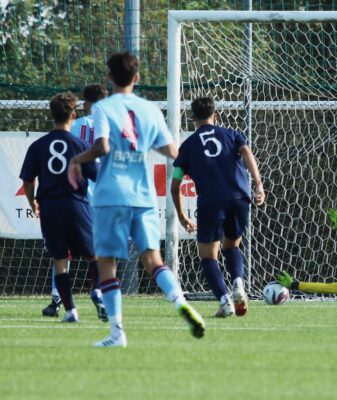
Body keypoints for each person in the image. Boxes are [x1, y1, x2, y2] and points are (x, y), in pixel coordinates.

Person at [68, 51, 205, 347]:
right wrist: (196, 170)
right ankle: (180, 301)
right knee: (153, 260)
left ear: (109, 77)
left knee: (107, 264)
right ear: (137, 77)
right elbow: (173, 152)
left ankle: (117, 333)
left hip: (110, 195)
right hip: (142, 196)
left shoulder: (103, 108)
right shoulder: (151, 110)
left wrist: (78, 159)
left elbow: (102, 146)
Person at [171, 97, 265, 318]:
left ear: (192, 118)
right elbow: (247, 153)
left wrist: (182, 215)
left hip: (210, 202)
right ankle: (238, 283)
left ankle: (225, 301)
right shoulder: (232, 135)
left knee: (207, 256)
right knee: (232, 245)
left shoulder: (187, 146)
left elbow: (175, 184)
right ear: (216, 115)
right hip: (239, 198)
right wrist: (259, 185)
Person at [20, 92, 102, 323]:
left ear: (51, 114)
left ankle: (70, 310)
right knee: (94, 254)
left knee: (60, 259)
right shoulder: (81, 145)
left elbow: (27, 181)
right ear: (74, 115)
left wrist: (32, 202)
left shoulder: (38, 145)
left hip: (50, 207)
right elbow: (97, 175)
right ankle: (96, 291)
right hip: (77, 205)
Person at [42, 84, 109, 320]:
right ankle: (98, 292)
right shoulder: (110, 126)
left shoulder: (77, 127)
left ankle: (57, 300)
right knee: (97, 250)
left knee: (61, 252)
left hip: (74, 193)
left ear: (83, 105)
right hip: (98, 195)